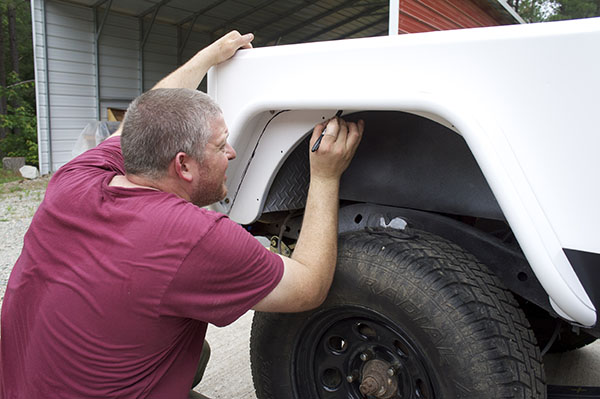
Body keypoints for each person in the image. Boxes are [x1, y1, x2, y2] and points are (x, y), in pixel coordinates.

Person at [0, 31, 363, 398]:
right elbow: (308, 288)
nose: (233, 152)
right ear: (183, 166)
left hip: (24, 385)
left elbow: (146, 114)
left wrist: (209, 56)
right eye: (221, 145)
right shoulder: (191, 237)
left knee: (195, 351)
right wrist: (325, 176)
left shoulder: (75, 179)